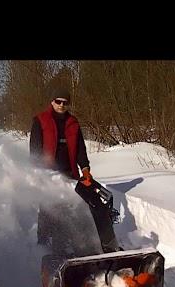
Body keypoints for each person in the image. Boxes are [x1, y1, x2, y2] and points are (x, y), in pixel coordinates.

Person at [29, 88, 122, 254]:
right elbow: (34, 150)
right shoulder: (40, 120)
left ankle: (67, 244)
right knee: (48, 210)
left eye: (65, 102)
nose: (61, 105)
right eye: (58, 101)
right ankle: (42, 246)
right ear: (52, 101)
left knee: (70, 210)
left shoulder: (73, 122)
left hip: (70, 174)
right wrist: (39, 173)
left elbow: (80, 149)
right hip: (47, 175)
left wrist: (85, 169)